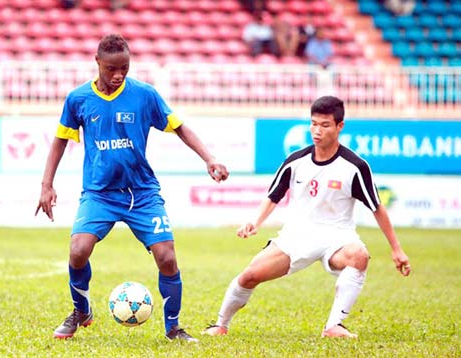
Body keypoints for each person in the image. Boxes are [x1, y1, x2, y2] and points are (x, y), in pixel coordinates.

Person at [35, 34, 229, 342]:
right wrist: (47, 184)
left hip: (142, 193)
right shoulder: (78, 99)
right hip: (99, 194)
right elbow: (60, 139)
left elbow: (179, 126)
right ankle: (81, 311)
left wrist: (209, 159)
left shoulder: (144, 94)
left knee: (167, 257)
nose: (118, 75)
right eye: (111, 68)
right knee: (77, 251)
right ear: (97, 63)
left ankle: (173, 327)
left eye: (124, 68)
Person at [202, 96, 411, 338]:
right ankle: (220, 325)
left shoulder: (354, 167)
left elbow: (377, 207)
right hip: (297, 236)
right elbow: (273, 196)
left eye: (325, 125)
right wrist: (255, 222)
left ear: (339, 126)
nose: (317, 131)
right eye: (313, 124)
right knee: (249, 275)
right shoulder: (296, 161)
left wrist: (397, 249)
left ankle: (334, 326)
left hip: (337, 238)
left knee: (359, 256)